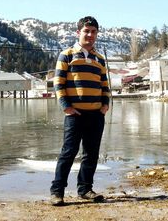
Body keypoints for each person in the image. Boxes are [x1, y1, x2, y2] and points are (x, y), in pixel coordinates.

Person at [50, 16, 111, 206]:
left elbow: (105, 85)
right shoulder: (66, 55)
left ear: (97, 34)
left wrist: (105, 104)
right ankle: (57, 192)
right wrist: (65, 107)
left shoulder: (99, 59)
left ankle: (85, 189)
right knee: (68, 152)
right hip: (74, 114)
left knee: (91, 154)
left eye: (93, 32)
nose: (90, 35)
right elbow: (58, 83)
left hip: (96, 115)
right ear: (79, 33)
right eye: (86, 31)